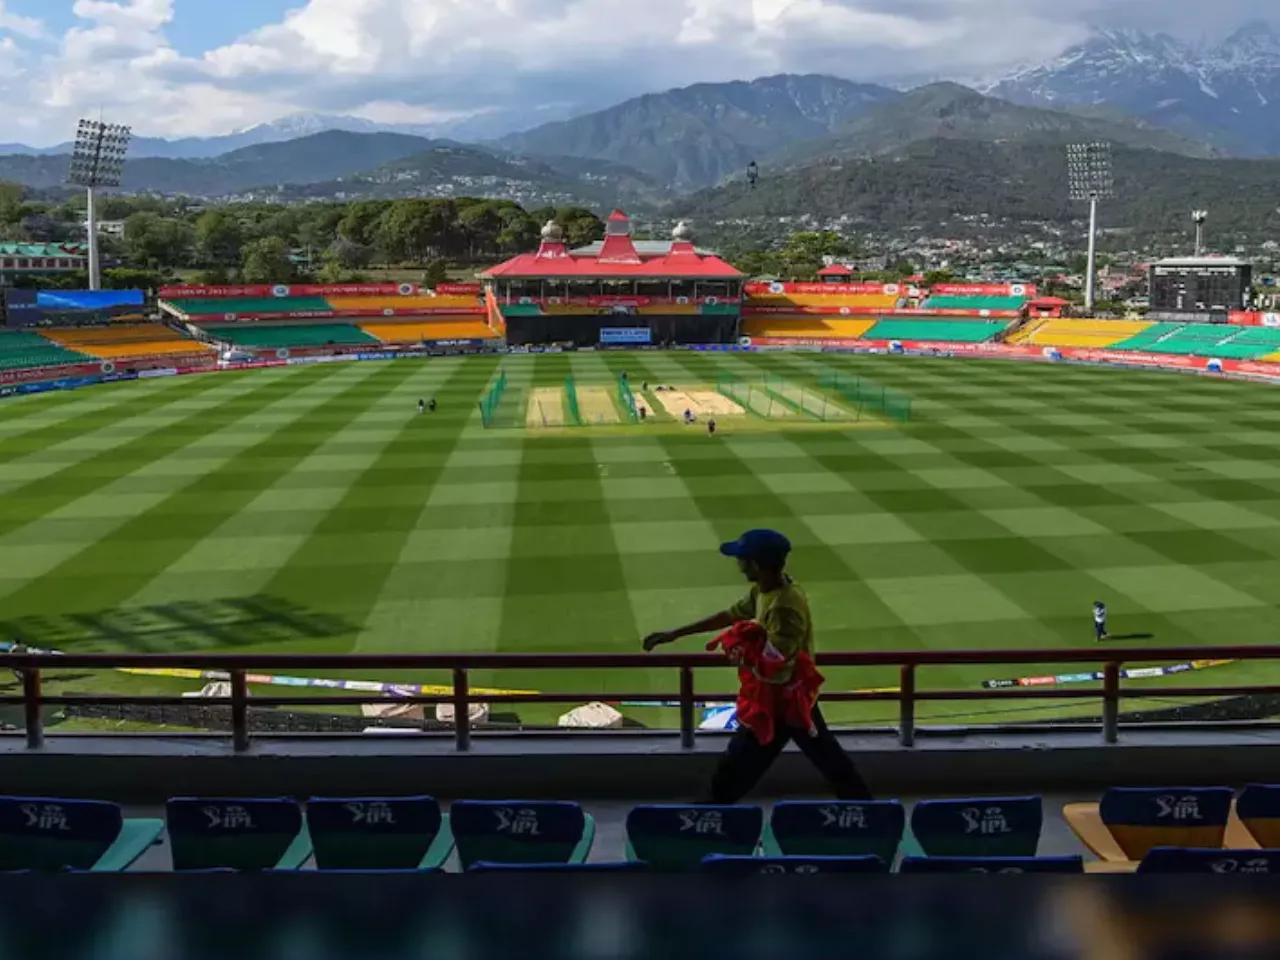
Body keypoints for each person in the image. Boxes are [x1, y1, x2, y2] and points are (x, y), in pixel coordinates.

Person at [643, 530, 872, 804]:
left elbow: (779, 667)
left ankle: (709, 813)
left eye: (741, 559)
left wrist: (744, 656)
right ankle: (866, 809)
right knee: (829, 761)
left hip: (780, 703)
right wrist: (675, 634)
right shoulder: (767, 591)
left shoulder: (784, 608)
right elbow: (731, 615)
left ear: (755, 564)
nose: (738, 565)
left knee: (738, 766)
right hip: (791, 700)